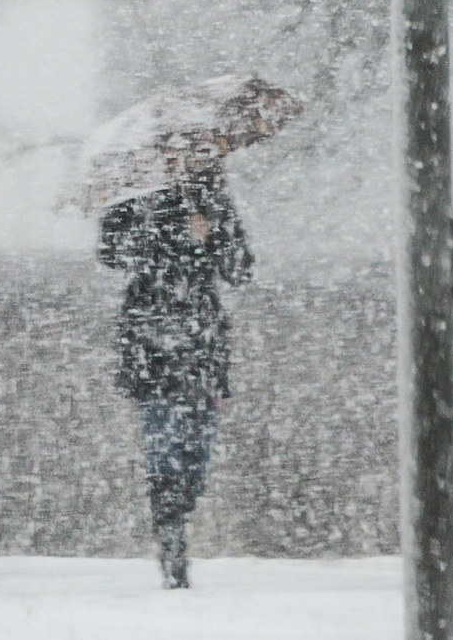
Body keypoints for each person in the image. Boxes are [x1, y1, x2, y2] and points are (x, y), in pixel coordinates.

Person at [98, 132, 254, 589]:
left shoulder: (211, 198)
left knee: (196, 449)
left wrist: (214, 234)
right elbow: (111, 254)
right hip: (150, 339)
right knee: (163, 441)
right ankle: (170, 532)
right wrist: (148, 228)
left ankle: (178, 512)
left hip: (201, 341)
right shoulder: (133, 196)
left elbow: (240, 268)